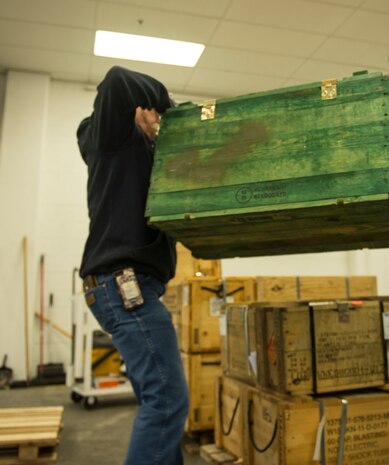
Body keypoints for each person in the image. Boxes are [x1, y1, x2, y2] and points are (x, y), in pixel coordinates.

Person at [77, 65, 189, 465]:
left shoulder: (135, 153)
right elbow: (117, 78)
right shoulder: (113, 135)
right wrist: (168, 106)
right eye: (151, 112)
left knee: (159, 401)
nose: (156, 119)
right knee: (167, 400)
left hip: (126, 286)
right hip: (123, 284)